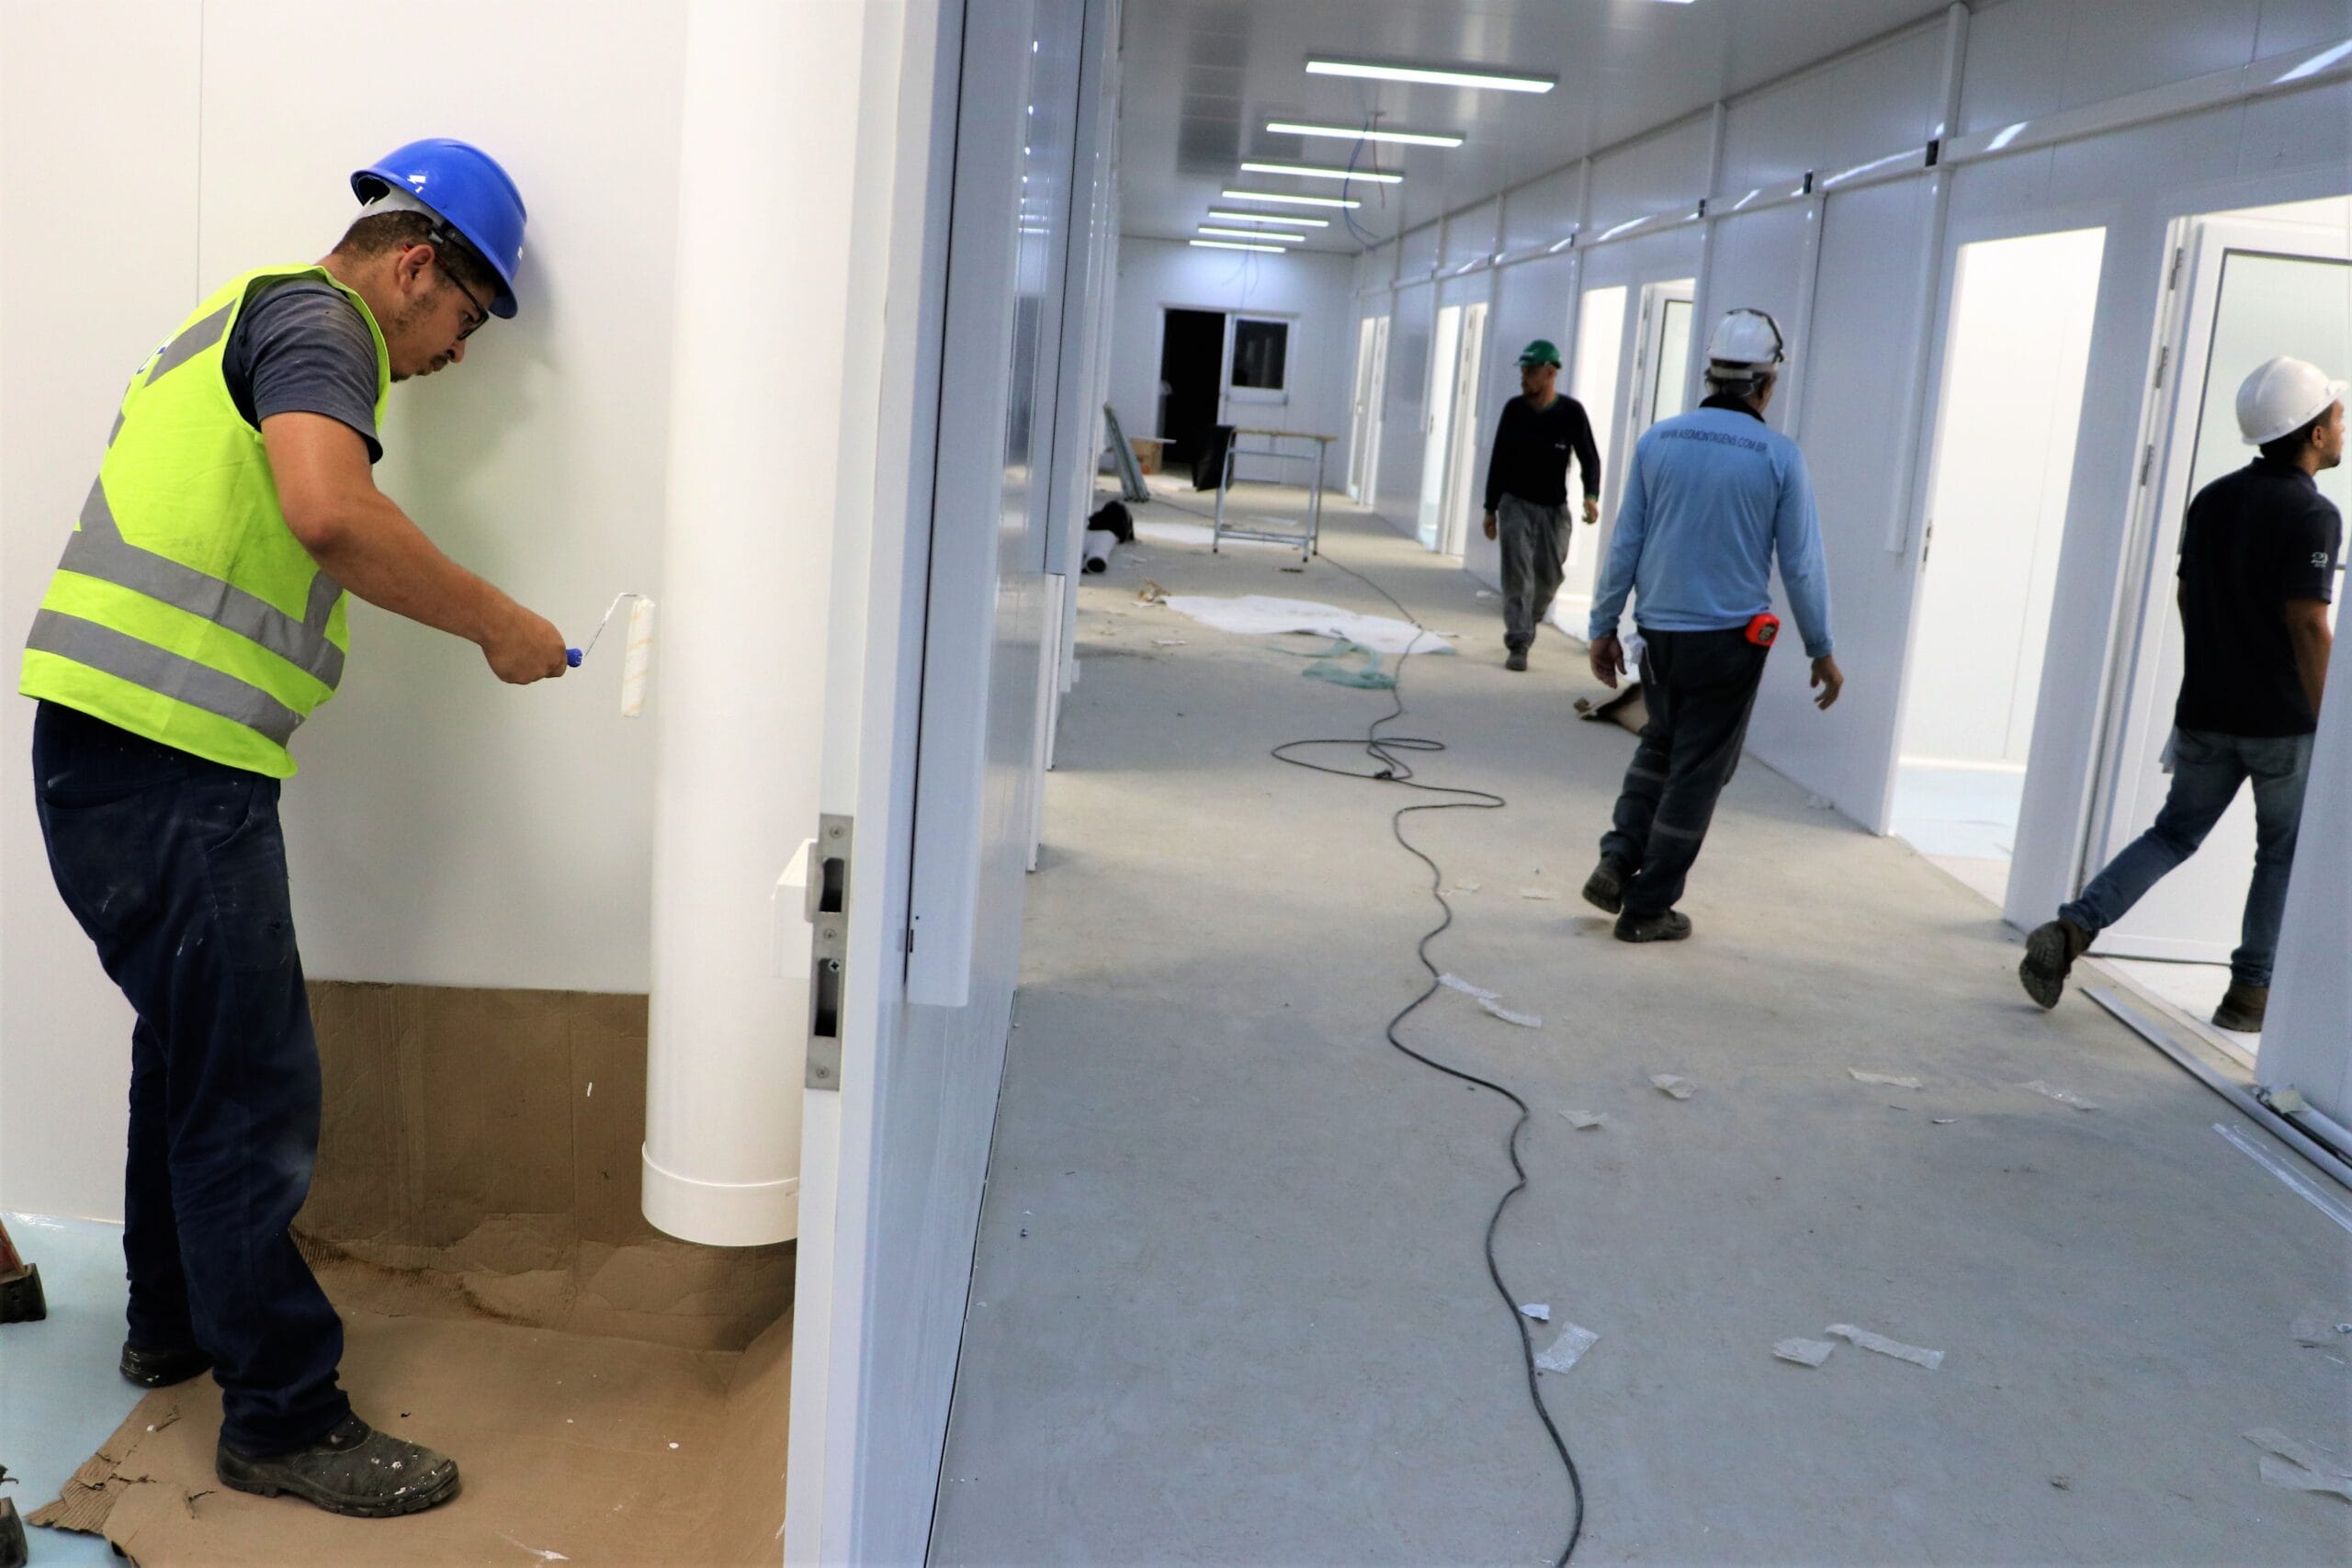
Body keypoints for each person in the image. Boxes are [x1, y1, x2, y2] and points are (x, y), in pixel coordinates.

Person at [20, 139, 566, 1518]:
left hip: (114, 745)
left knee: (193, 1056)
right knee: (253, 1085)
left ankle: (175, 1324)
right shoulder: (323, 323)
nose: (454, 356)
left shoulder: (245, 308)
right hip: (164, 757)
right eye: (464, 322)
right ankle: (280, 1412)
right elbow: (330, 510)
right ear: (415, 265)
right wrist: (499, 622)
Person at [2020, 356, 2342, 1030]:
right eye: (2337, 416)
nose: (2344, 427)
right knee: (2281, 852)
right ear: (2312, 434)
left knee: (2172, 834)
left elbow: (2187, 594)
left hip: (2206, 711)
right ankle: (2248, 995)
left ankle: (2075, 928)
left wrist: (2216, 668)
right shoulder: (2313, 514)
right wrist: (2333, 721)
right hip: (2284, 724)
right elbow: (2308, 622)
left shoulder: (2213, 498)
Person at [1580, 308, 1842, 942]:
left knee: (1660, 745)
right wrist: (1821, 649)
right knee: (1699, 770)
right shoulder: (1779, 457)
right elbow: (1802, 565)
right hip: (1728, 643)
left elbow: (1625, 544)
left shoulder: (1658, 440)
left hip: (1659, 637)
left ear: (1710, 374)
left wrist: (1603, 624)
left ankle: (1618, 858)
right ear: (1766, 384)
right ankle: (1648, 906)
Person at [1482, 339, 1601, 671]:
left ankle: (1527, 622)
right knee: (1517, 573)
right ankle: (1518, 641)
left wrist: (1591, 496)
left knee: (1549, 576)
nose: (1524, 377)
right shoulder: (1514, 410)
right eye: (1523, 370)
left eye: (1530, 371)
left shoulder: (1571, 412)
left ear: (1550, 372)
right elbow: (1499, 461)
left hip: (1554, 508)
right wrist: (1490, 508)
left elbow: (1589, 457)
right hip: (1515, 503)